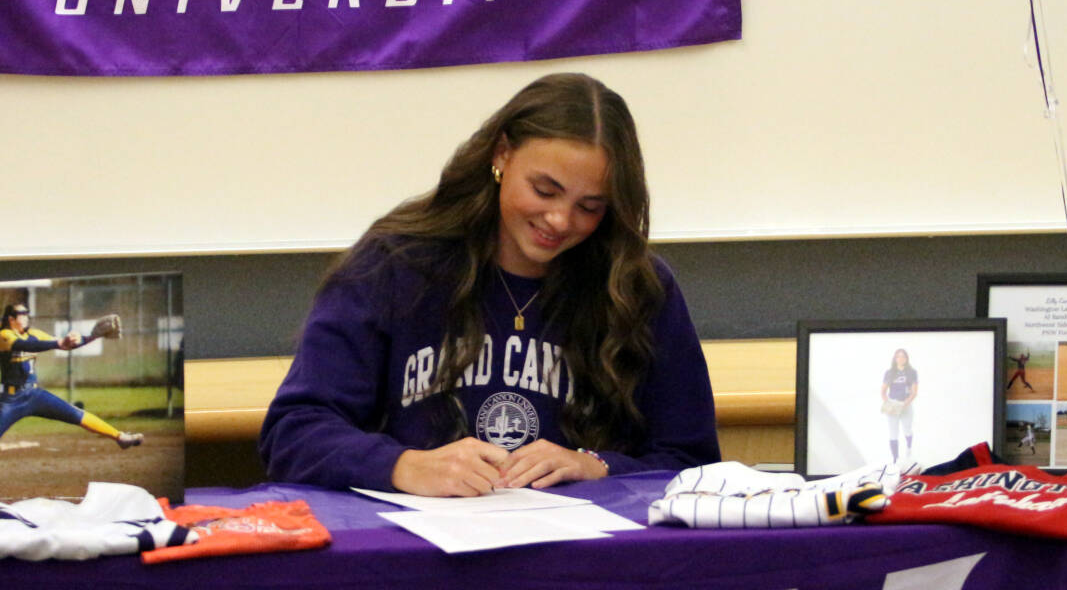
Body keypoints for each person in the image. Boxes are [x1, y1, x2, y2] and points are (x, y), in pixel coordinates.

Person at [258, 73, 721, 496]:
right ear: (501, 155)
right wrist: (402, 465)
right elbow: (294, 432)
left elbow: (693, 462)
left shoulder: (637, 285)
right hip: (418, 559)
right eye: (544, 190)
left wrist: (597, 465)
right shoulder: (395, 265)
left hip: (582, 564)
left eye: (590, 206)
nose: (559, 220)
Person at [0, 303, 142, 479]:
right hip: (10, 400)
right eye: (22, 313)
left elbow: (64, 345)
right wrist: (58, 342)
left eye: (26, 312)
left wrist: (92, 336)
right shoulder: (4, 335)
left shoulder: (34, 333)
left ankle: (120, 437)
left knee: (75, 414)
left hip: (34, 395)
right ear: (11, 319)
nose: (26, 316)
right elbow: (25, 346)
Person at [880, 348, 918, 463]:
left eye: (903, 356)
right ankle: (895, 458)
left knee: (907, 429)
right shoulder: (889, 373)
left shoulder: (911, 372)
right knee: (893, 432)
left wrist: (906, 402)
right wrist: (889, 403)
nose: (900, 359)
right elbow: (883, 391)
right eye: (898, 356)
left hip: (906, 404)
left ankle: (909, 447)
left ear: (906, 358)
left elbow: (914, 391)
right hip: (893, 404)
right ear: (895, 359)